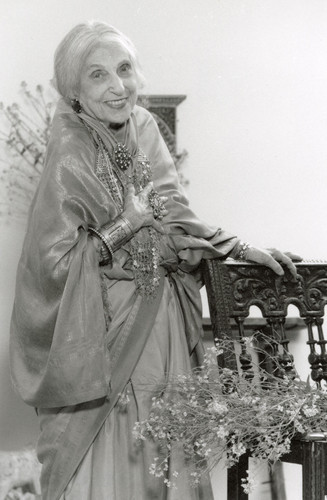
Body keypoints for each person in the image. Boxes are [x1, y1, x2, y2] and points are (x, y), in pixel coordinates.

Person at [9, 21, 300, 500]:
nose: (118, 86)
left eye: (124, 69)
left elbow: (176, 213)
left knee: (164, 453)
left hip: (158, 320)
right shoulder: (71, 146)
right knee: (112, 456)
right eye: (98, 75)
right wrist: (128, 221)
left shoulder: (143, 126)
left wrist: (241, 249)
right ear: (75, 92)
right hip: (100, 337)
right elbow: (56, 265)